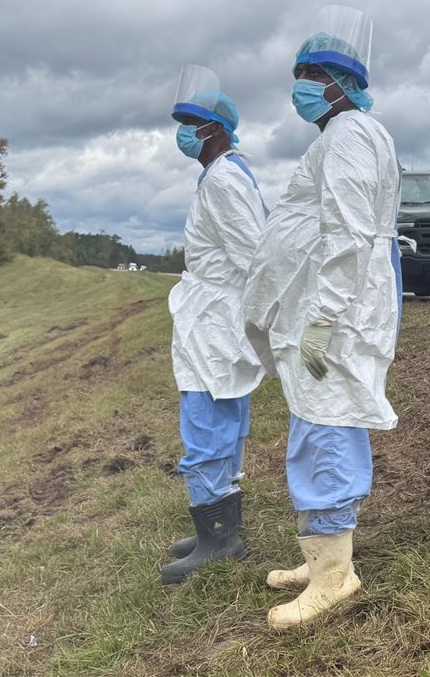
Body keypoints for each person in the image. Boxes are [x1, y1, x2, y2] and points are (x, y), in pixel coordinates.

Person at [243, 5, 401, 631]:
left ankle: (335, 576)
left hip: (336, 310)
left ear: (342, 83)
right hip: (329, 306)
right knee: (319, 422)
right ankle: (324, 558)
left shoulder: (350, 136)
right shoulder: (344, 137)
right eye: (298, 72)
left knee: (325, 426)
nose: (300, 84)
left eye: (312, 73)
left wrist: (326, 317)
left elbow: (348, 233)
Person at [162, 65, 269, 584]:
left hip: (216, 320)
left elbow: (252, 255)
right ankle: (219, 525)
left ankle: (218, 538)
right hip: (215, 317)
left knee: (205, 422)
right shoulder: (222, 175)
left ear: (216, 129)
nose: (184, 130)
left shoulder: (224, 179)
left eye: (193, 121)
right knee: (221, 419)